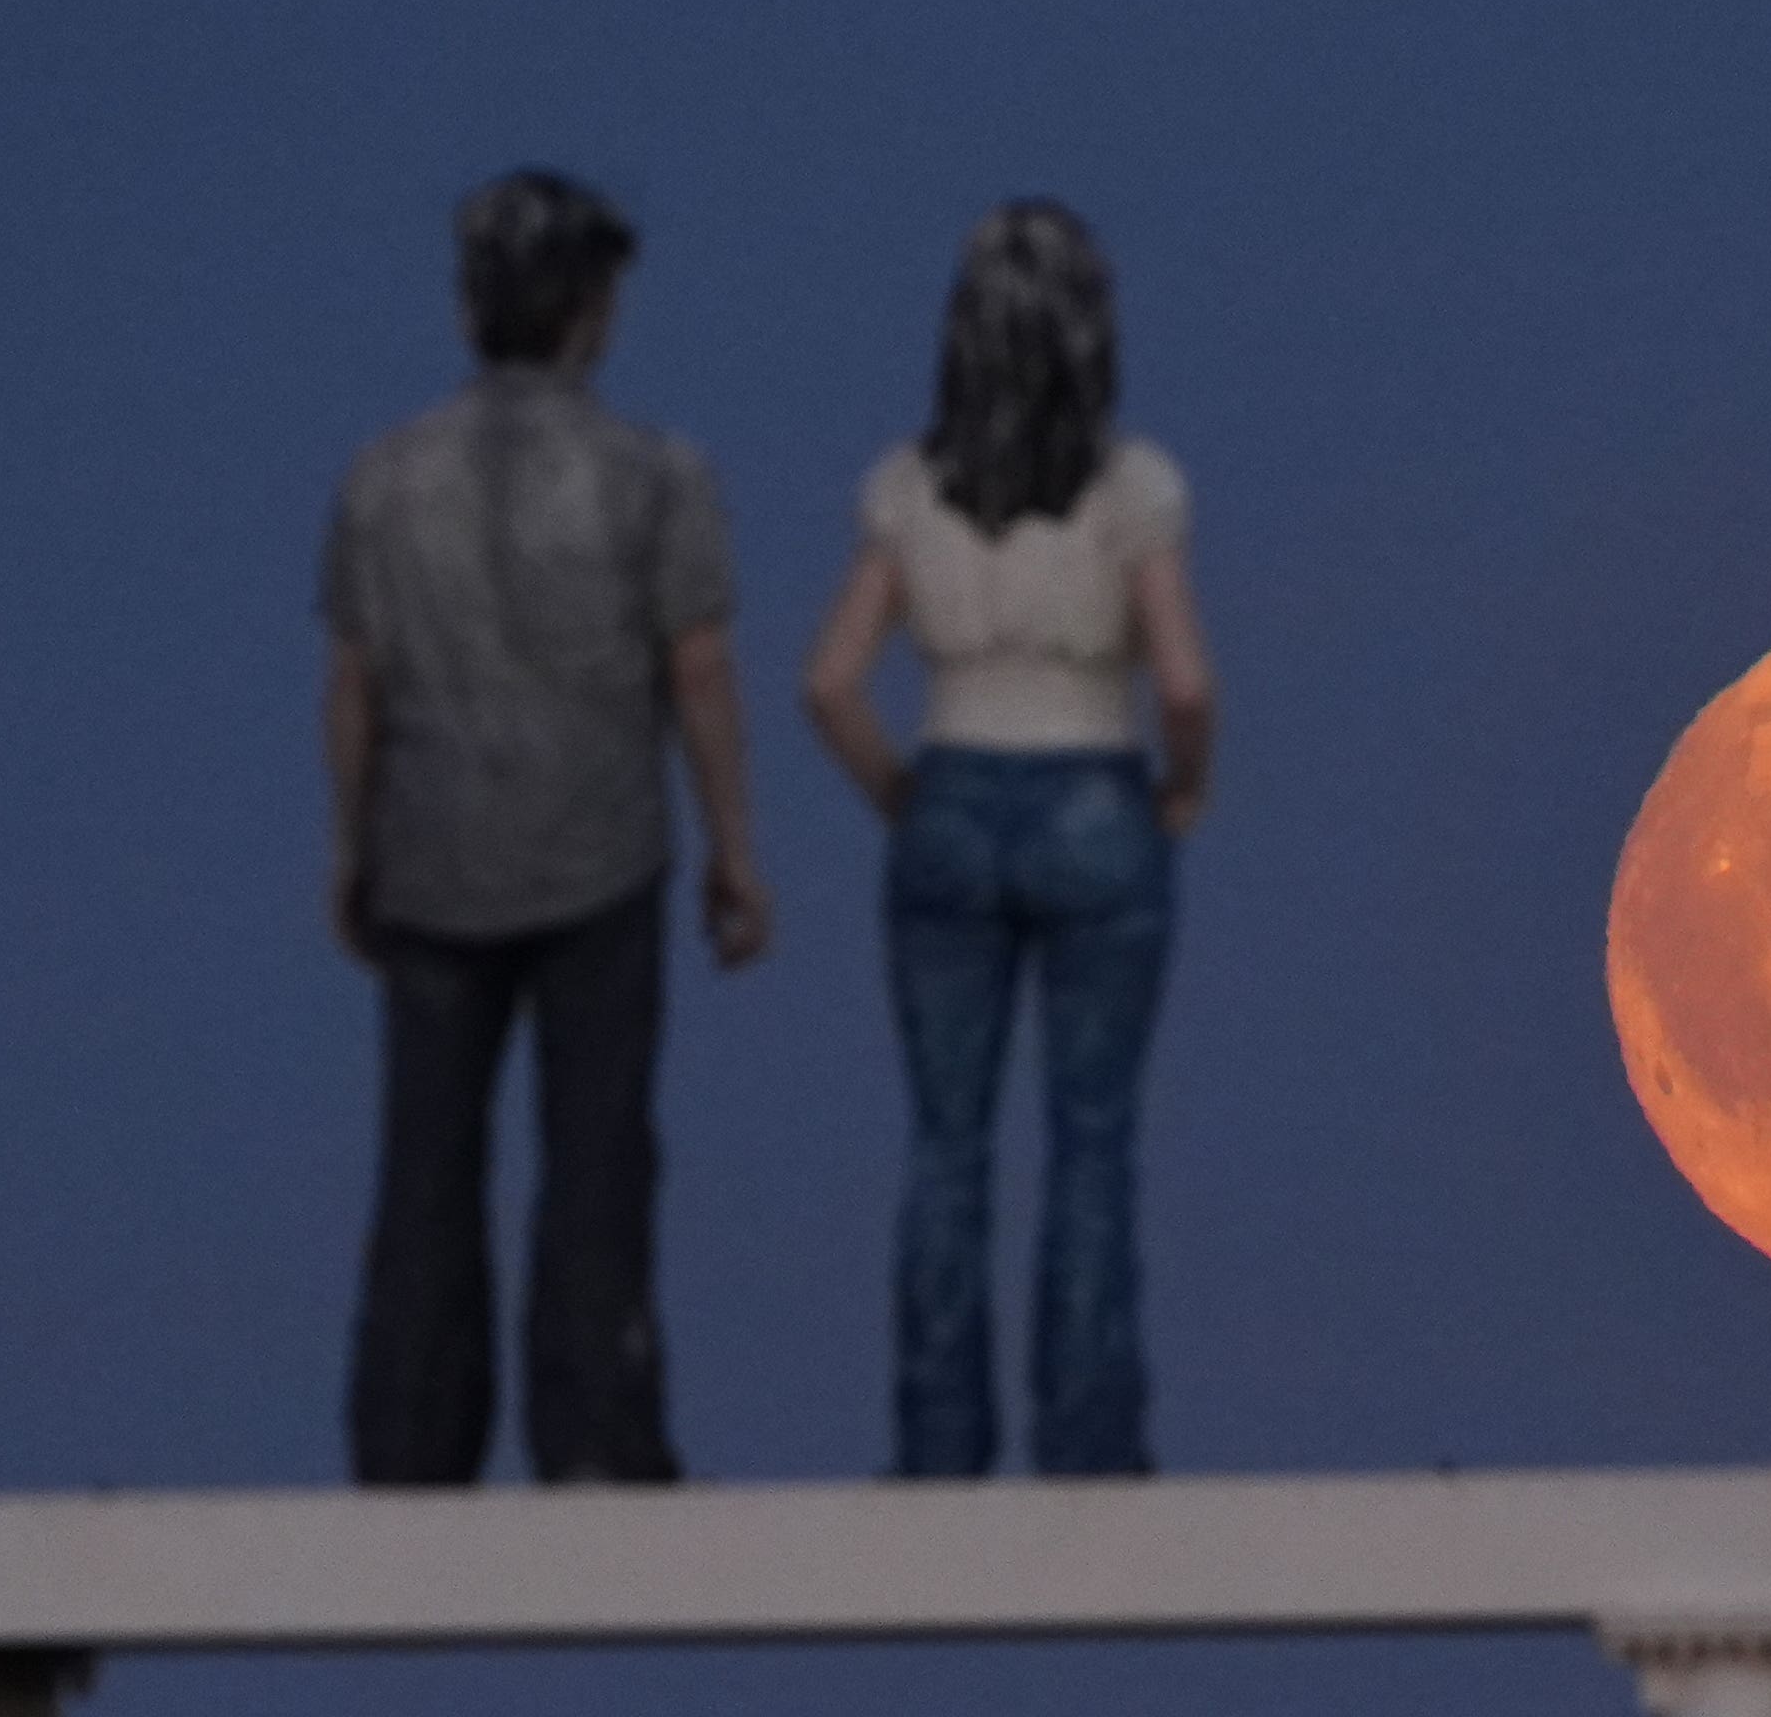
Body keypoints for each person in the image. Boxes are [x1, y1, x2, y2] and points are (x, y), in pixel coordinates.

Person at [322, 169, 772, 1488]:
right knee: (597, 1157)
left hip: (433, 847)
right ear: (592, 311)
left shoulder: (380, 478)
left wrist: (352, 846)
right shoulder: (659, 475)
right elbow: (698, 671)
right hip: (602, 852)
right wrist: (734, 846)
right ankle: (594, 1431)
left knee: (424, 1164)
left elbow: (354, 686)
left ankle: (408, 1437)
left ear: (470, 313)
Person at [801, 199, 1217, 1480]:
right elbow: (1187, 682)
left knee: (947, 1140)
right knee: (1090, 1137)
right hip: (1096, 789)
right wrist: (1184, 792)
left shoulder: (905, 489)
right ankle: (1089, 1439)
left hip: (951, 793)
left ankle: (937, 1440)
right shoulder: (1131, 489)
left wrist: (900, 798)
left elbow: (829, 681)